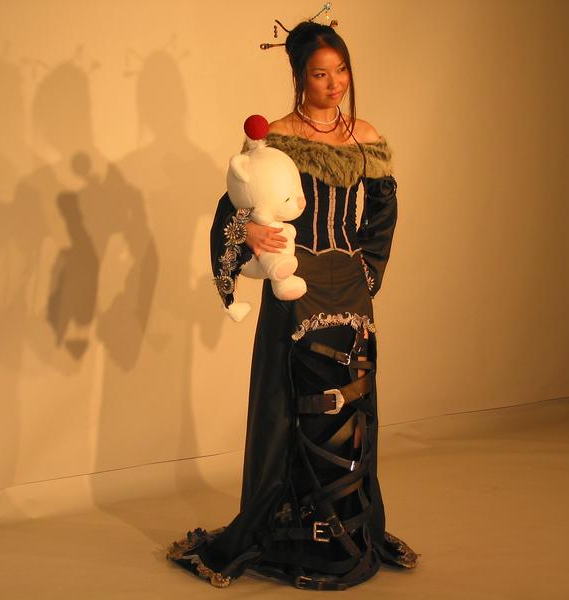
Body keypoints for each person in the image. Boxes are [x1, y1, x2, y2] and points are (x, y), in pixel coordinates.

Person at [167, 20, 417, 591]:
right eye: (320, 74)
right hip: (294, 284)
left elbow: (383, 213)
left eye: (341, 70)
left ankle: (350, 527)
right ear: (300, 76)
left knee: (350, 405)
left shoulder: (365, 137)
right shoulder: (276, 137)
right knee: (292, 405)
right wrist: (247, 231)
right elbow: (236, 204)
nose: (335, 83)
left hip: (349, 286)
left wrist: (367, 269)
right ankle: (292, 527)